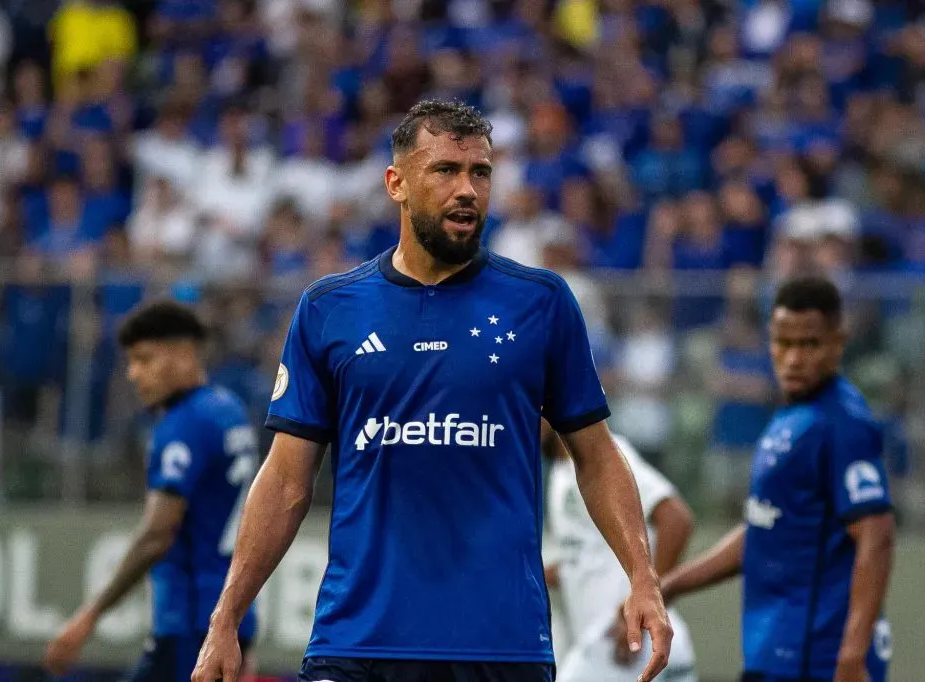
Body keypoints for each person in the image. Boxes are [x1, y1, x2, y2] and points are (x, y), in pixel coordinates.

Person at [192, 99, 672, 682]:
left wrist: (642, 578)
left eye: (481, 172)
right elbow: (288, 480)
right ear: (396, 183)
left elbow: (595, 455)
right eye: (445, 170)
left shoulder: (541, 304)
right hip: (356, 643)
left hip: (502, 646)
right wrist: (226, 619)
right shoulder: (329, 308)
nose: (467, 189)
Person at [656, 277, 895, 682]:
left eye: (809, 345)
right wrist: (673, 584)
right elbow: (766, 527)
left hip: (818, 657)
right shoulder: (791, 416)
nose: (793, 359)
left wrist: (852, 656)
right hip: (775, 650)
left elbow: (876, 534)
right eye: (784, 343)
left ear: (838, 342)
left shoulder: (841, 422)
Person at [43, 301, 258, 681]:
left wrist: (89, 615)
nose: (133, 374)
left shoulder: (182, 425)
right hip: (235, 613)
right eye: (130, 362)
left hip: (191, 622)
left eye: (144, 359)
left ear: (184, 353)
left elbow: (157, 535)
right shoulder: (230, 410)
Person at [543, 423, 698, 682]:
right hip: (624, 649)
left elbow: (676, 519)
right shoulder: (559, 472)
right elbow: (584, 557)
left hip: (628, 643)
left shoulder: (605, 458)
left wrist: (641, 612)